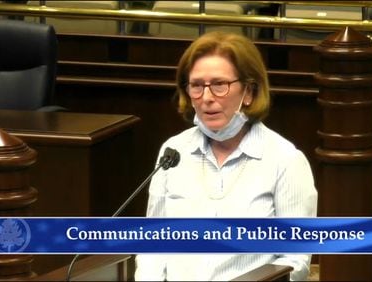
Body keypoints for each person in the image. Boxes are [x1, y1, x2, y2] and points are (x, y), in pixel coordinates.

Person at [135, 31, 318, 281]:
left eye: (219, 85)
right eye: (197, 86)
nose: (207, 98)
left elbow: (295, 261)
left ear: (249, 92)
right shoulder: (173, 152)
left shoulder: (285, 160)